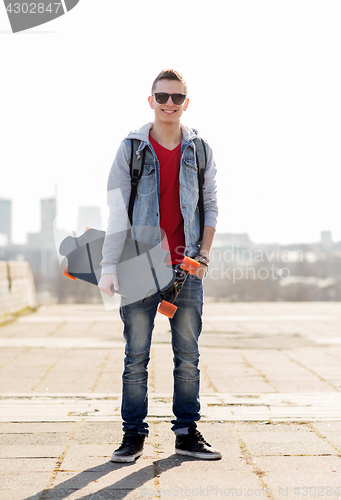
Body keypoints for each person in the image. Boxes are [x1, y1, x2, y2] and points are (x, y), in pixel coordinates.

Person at [98, 69, 221, 462]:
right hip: (138, 267)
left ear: (187, 102)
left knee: (188, 357)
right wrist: (108, 265)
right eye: (162, 96)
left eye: (177, 97)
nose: (170, 103)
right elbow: (118, 211)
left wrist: (203, 255)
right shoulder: (131, 148)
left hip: (185, 270)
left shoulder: (199, 149)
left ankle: (186, 433)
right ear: (150, 100)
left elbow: (211, 206)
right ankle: (132, 435)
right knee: (136, 356)